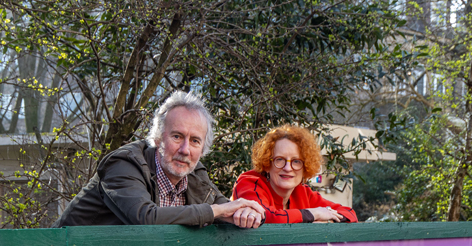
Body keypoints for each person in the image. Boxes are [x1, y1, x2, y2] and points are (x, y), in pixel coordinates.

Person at [55, 91, 264, 227]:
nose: (185, 150)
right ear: (157, 137)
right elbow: (145, 218)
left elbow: (225, 210)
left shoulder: (195, 173)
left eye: (195, 141)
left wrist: (247, 214)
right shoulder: (123, 164)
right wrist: (217, 211)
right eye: (177, 136)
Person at [231, 126, 357, 224]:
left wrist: (327, 220)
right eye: (279, 159)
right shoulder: (249, 183)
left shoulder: (303, 192)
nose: (287, 168)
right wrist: (312, 214)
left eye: (296, 161)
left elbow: (349, 213)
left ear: (305, 167)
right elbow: (267, 217)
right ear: (267, 164)